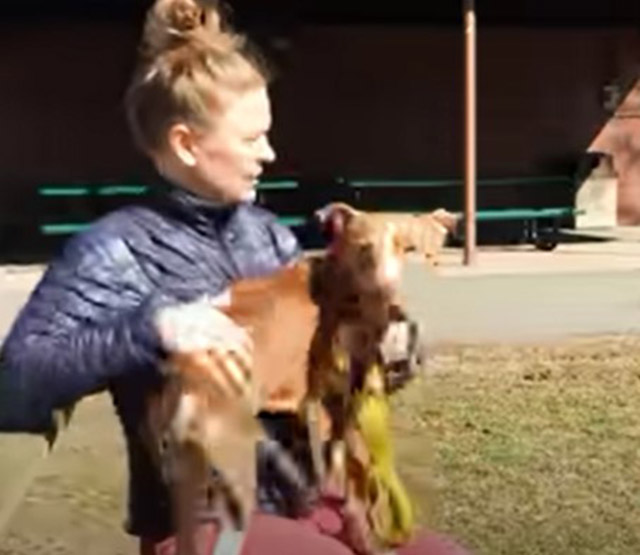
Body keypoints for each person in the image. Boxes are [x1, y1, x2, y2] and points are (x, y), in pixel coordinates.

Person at [0, 1, 472, 554]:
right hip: (204, 524)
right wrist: (154, 329)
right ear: (186, 144)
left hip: (314, 507)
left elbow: (325, 374)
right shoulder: (115, 249)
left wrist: (388, 351)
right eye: (251, 139)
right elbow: (15, 386)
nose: (268, 154)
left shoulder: (270, 238)